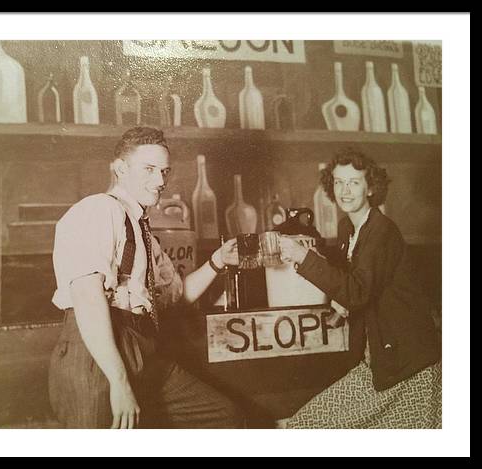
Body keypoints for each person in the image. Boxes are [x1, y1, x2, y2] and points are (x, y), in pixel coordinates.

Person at [48, 126, 243, 429]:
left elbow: (175, 296)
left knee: (223, 415)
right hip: (97, 352)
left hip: (140, 347)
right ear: (120, 169)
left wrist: (218, 262)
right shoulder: (98, 209)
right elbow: (87, 296)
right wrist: (119, 380)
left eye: (164, 171)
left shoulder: (143, 232)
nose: (160, 181)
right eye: (149, 169)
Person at [277, 147, 441, 429]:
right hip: (380, 361)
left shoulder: (382, 230)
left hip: (410, 367)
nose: (345, 190)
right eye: (339, 182)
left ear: (370, 188)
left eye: (354, 182)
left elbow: (357, 291)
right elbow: (360, 285)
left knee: (304, 426)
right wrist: (340, 306)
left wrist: (304, 257)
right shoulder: (348, 229)